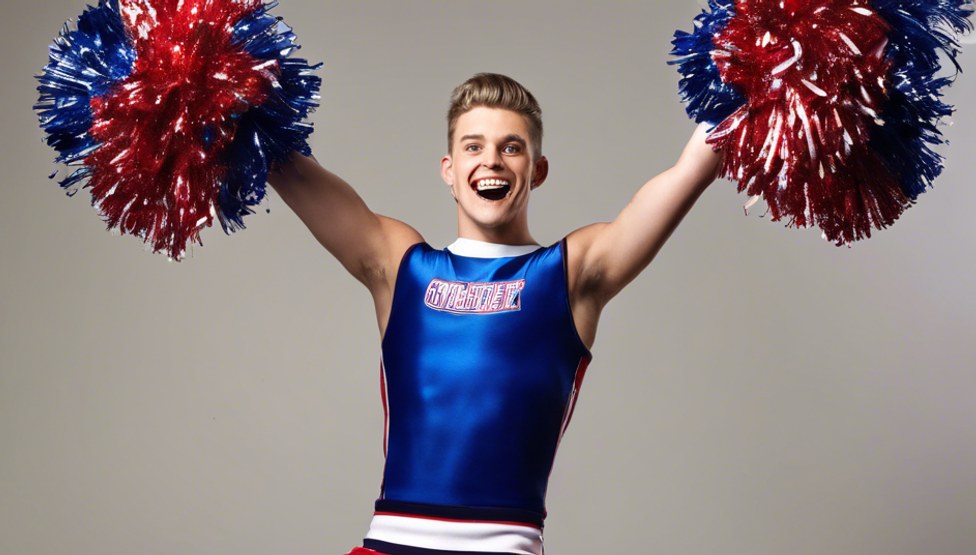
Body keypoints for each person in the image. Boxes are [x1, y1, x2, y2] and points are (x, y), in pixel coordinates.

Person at [266, 73, 723, 555]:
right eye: (473, 146)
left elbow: (691, 169)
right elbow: (285, 166)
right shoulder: (401, 267)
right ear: (448, 169)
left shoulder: (571, 274)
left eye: (511, 147)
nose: (490, 161)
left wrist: (765, 58)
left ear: (538, 169)